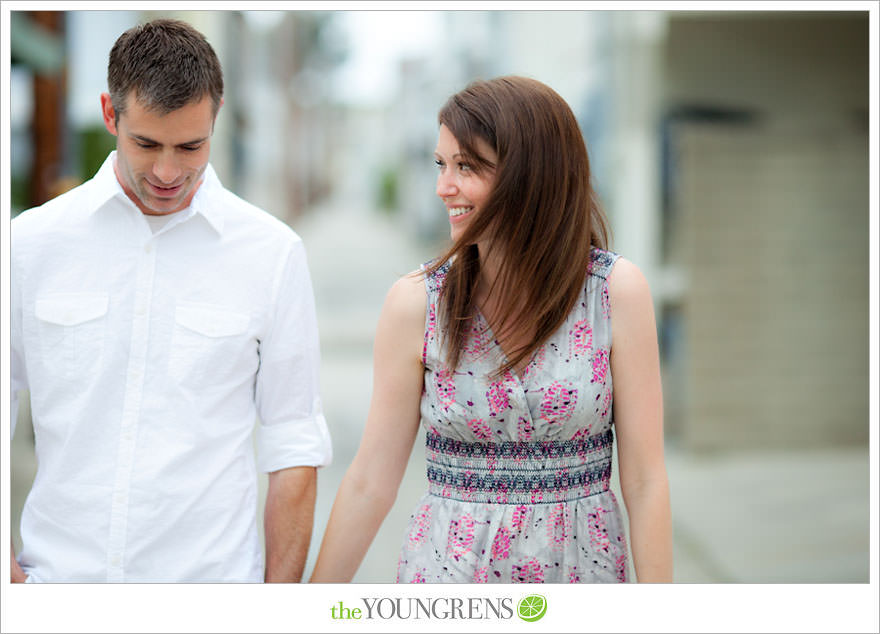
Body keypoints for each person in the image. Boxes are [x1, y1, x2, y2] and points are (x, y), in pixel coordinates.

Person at [310, 76, 671, 583]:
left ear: (532, 174)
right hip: (448, 581)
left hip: (579, 575)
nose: (443, 187)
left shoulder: (613, 292)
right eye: (441, 164)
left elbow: (646, 479)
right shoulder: (417, 303)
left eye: (467, 167)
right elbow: (370, 481)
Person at [10, 18, 331, 583]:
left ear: (216, 118)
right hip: (59, 588)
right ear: (111, 114)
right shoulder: (29, 245)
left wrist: (277, 609)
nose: (167, 172)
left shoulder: (272, 253)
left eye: (190, 146)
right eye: (146, 143)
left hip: (211, 594)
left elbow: (293, 439)